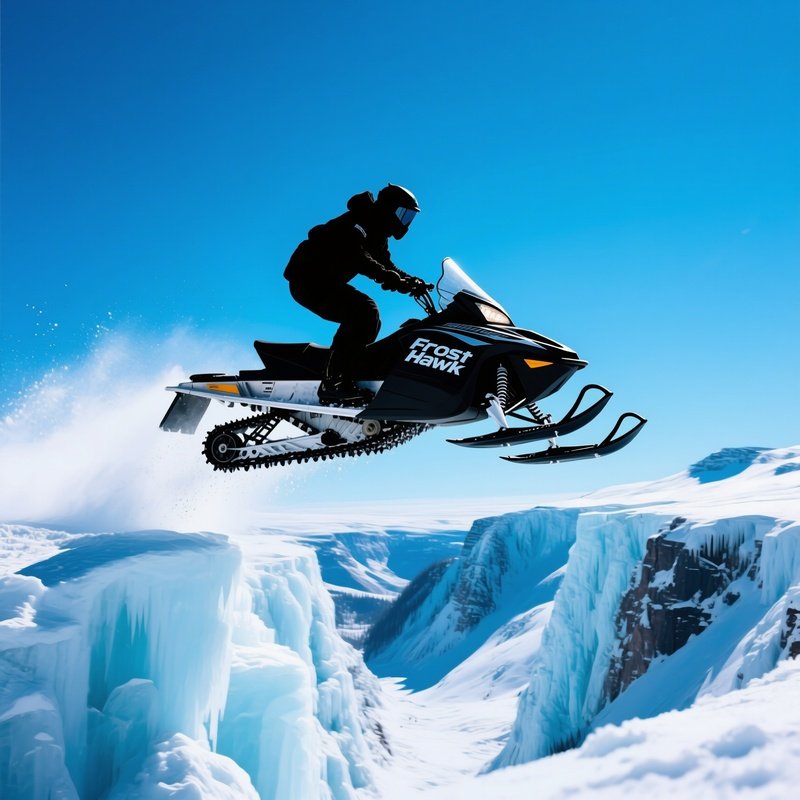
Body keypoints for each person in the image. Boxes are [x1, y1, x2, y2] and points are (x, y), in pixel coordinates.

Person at [284, 184, 427, 404]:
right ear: (389, 208)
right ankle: (334, 381)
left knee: (371, 319)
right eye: (403, 214)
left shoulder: (379, 233)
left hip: (324, 282)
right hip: (308, 280)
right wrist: (387, 277)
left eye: (409, 217)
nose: (405, 222)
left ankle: (351, 374)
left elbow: (386, 264)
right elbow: (355, 254)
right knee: (363, 311)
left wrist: (411, 281)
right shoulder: (360, 219)